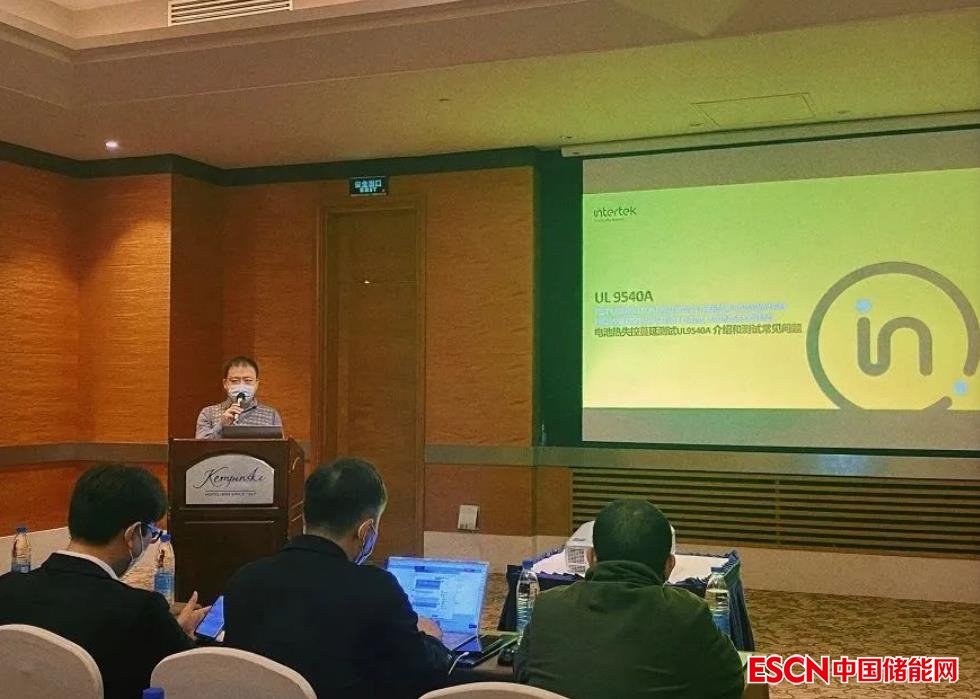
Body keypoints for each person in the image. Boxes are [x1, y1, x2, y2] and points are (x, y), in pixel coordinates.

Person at [223, 457, 450, 699]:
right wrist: (432, 639)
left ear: (304, 517)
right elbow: (423, 676)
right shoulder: (376, 588)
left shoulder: (245, 579)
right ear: (365, 531)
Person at [0, 463, 209, 699]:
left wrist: (169, 629)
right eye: (151, 534)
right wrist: (179, 636)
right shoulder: (141, 610)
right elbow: (192, 680)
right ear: (133, 534)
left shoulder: (7, 588)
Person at [515, 499, 743, 699]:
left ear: (591, 558)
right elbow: (730, 682)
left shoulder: (548, 607)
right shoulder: (687, 613)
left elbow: (522, 676)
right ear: (669, 565)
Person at [195, 355, 283, 439]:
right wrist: (222, 426)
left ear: (256, 384)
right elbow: (200, 446)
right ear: (225, 383)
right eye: (234, 381)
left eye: (248, 380)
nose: (241, 385)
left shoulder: (271, 415)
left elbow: (279, 447)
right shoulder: (208, 413)